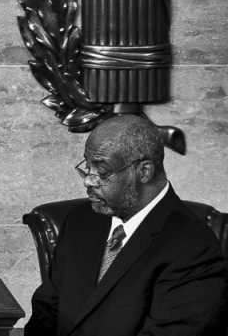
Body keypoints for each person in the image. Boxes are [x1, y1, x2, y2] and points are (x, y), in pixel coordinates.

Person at [26, 113, 227, 336]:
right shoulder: (79, 221)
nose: (88, 180)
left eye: (102, 171)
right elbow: (46, 315)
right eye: (87, 166)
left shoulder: (195, 251)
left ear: (144, 171)